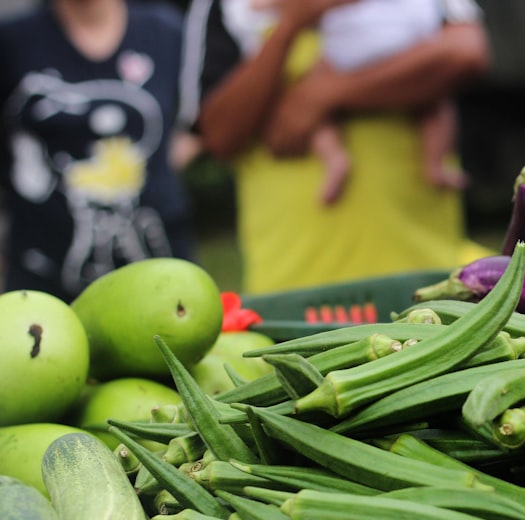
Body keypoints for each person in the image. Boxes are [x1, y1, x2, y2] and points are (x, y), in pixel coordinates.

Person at [179, 0, 491, 295]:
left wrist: (324, 93)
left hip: (424, 273)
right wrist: (292, 24)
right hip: (294, 285)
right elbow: (218, 135)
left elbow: (466, 52)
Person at [0, 0, 193, 302]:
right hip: (42, 284)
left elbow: (203, 120)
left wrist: (159, 169)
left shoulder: (164, 29)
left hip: (164, 278)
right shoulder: (12, 40)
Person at [230, 0, 468, 207]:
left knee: (310, 95)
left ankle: (335, 159)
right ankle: (434, 164)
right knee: (434, 107)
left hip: (355, 48)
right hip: (404, 44)